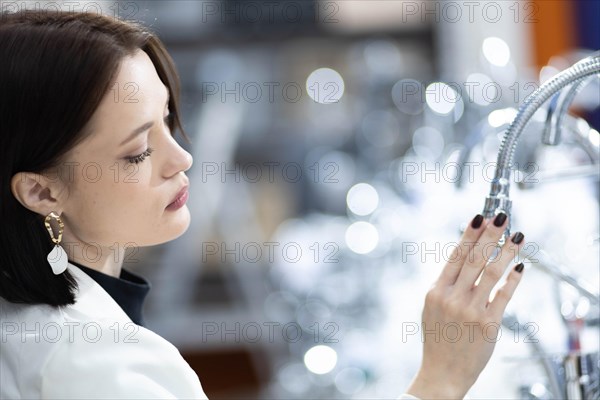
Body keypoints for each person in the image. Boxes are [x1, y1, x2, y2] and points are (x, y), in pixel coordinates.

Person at [0, 9, 526, 399]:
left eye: (167, 119)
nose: (181, 157)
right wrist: (442, 379)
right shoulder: (96, 364)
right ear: (42, 191)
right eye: (138, 153)